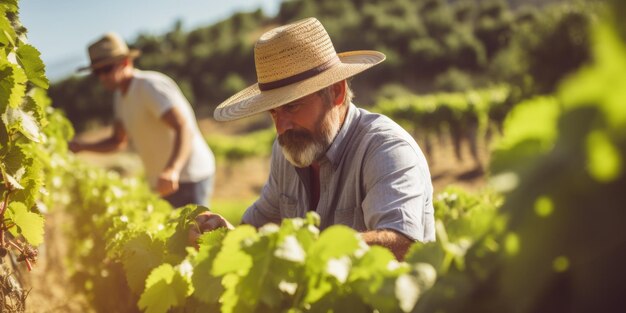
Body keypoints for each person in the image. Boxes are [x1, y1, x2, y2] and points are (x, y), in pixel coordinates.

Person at [190, 17, 434, 260]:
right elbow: (259, 225)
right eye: (273, 111)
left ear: (336, 92)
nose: (280, 126)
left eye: (292, 107)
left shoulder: (385, 148)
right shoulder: (286, 148)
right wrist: (226, 238)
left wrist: (299, 251)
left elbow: (403, 244)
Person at [69, 32, 215, 208]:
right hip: (163, 183)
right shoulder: (119, 97)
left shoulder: (149, 87)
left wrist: (172, 170)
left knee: (197, 233)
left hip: (188, 177)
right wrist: (82, 146)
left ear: (125, 62)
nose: (102, 77)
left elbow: (183, 126)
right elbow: (118, 141)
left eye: (106, 69)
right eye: (97, 72)